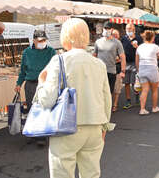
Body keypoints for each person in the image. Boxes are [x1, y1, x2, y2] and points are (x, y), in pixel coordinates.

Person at [36, 18, 113, 178]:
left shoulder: (59, 61)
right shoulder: (99, 64)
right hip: (94, 127)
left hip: (66, 128)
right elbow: (106, 98)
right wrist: (104, 126)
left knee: (62, 174)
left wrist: (41, 82)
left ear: (66, 36)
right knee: (91, 174)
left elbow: (47, 100)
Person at [15, 29, 56, 146]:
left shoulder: (51, 51)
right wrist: (18, 83)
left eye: (44, 40)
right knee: (32, 109)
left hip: (45, 84)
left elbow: (55, 67)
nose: (42, 42)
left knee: (43, 108)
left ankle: (41, 136)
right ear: (33, 40)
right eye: (40, 40)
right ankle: (33, 133)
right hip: (30, 84)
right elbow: (23, 70)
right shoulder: (26, 52)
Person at [93, 21, 126, 94]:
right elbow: (94, 55)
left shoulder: (117, 42)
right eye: (105, 28)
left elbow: (123, 57)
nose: (106, 30)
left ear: (111, 29)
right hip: (100, 71)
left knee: (109, 93)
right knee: (99, 92)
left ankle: (109, 105)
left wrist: (123, 71)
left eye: (108, 28)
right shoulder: (98, 42)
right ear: (103, 29)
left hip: (111, 71)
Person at [136, 30, 159, 115]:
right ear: (152, 37)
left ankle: (142, 109)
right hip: (152, 69)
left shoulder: (139, 47)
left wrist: (138, 70)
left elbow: (137, 60)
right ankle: (154, 108)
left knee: (144, 90)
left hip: (142, 69)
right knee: (154, 90)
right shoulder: (155, 47)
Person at [120, 24, 143, 109]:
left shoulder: (139, 38)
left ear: (134, 30)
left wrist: (137, 47)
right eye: (127, 28)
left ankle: (137, 98)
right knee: (126, 83)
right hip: (125, 63)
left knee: (134, 82)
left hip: (135, 63)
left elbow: (142, 50)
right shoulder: (123, 38)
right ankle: (128, 100)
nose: (128, 30)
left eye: (130, 28)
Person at [111, 29, 123, 112]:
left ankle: (115, 105)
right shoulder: (108, 44)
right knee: (109, 89)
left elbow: (122, 58)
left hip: (117, 69)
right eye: (113, 34)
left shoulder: (120, 45)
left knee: (117, 88)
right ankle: (109, 104)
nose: (115, 36)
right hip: (109, 69)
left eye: (116, 35)